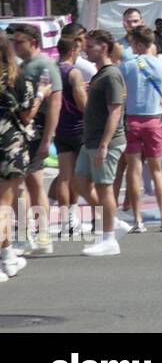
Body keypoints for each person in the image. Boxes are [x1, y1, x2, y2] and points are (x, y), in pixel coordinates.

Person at [72, 30, 127, 258]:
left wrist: (105, 144)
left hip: (105, 141)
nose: (86, 49)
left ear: (104, 47)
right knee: (79, 183)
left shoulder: (111, 75)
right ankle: (112, 221)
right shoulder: (100, 75)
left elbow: (116, 111)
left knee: (104, 188)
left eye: (91, 46)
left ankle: (109, 239)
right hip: (91, 139)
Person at [6, 23, 60, 255]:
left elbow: (55, 102)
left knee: (33, 183)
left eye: (20, 42)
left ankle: (41, 235)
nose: (15, 46)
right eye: (13, 42)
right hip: (25, 131)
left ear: (34, 43)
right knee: (23, 185)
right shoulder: (23, 66)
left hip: (36, 131)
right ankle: (29, 234)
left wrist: (48, 138)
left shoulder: (45, 65)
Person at [119, 26, 162, 233]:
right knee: (156, 171)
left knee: (133, 171)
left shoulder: (126, 66)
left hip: (132, 120)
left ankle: (137, 220)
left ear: (137, 43)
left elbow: (120, 95)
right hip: (154, 120)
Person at [0, 31, 46, 278]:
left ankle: (7, 257)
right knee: (4, 205)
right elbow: (27, 116)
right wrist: (40, 96)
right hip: (9, 144)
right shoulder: (18, 78)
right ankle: (4, 258)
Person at [53, 36, 88, 236]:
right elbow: (83, 104)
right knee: (79, 177)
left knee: (64, 177)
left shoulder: (52, 71)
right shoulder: (74, 73)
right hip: (78, 127)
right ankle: (73, 217)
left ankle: (66, 221)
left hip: (60, 127)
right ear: (72, 51)